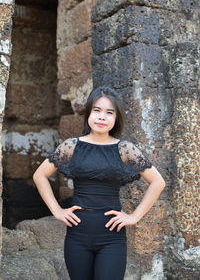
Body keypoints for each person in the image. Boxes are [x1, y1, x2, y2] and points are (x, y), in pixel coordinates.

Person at [33, 86, 166, 280]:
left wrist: (134, 217)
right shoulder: (71, 146)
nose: (102, 117)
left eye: (109, 112)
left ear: (116, 117)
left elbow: (157, 182)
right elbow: (40, 175)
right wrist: (57, 211)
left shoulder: (125, 149)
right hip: (77, 236)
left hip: (112, 238)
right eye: (97, 110)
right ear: (89, 113)